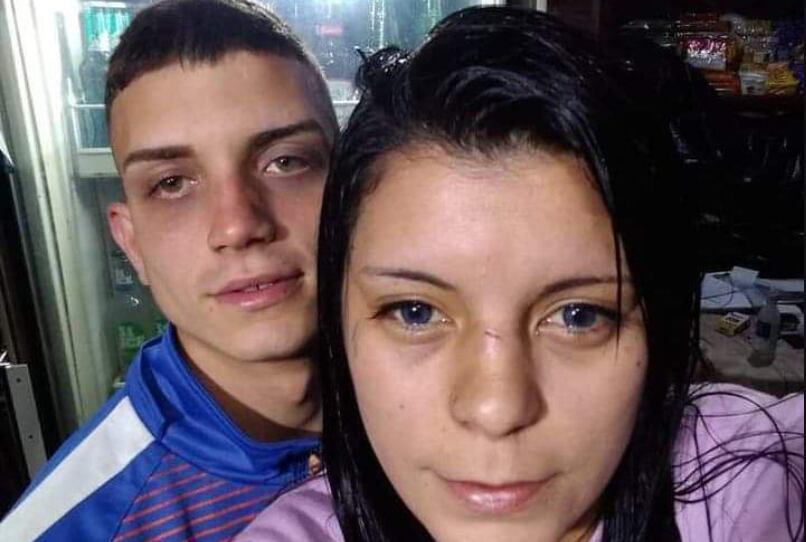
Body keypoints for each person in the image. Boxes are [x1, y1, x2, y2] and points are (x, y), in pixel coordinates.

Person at [236, 6, 804, 542]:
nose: (497, 410)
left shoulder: (755, 486)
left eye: (578, 316)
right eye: (415, 312)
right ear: (339, 325)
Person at [0, 1, 337, 540]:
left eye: (285, 162)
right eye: (172, 184)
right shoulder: (81, 526)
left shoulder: (435, 401)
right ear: (131, 243)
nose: (238, 225)